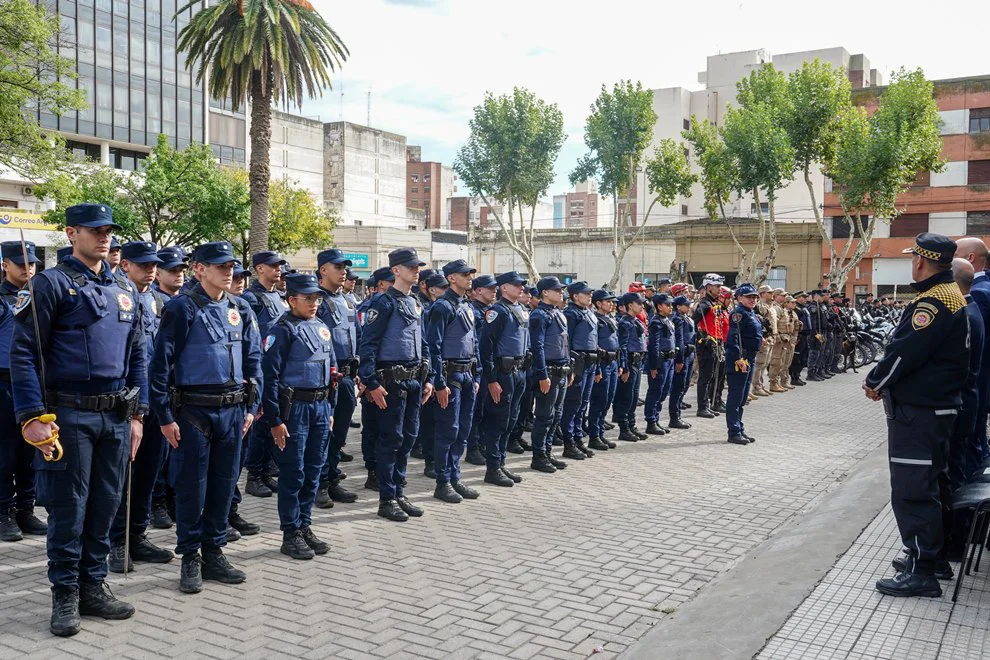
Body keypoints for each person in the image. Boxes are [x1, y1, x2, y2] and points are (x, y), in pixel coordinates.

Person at [11, 204, 147, 636]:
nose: (104, 237)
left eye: (108, 231)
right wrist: (32, 416)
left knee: (106, 504)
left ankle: (93, 586)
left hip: (116, 416)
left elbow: (138, 353)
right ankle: (65, 593)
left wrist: (139, 414)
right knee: (69, 508)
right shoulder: (50, 284)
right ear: (72, 233)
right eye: (95, 230)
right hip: (67, 414)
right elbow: (23, 353)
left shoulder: (123, 287)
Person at [150, 240, 262, 595]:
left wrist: (251, 407)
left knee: (224, 485)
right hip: (193, 411)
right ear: (199, 269)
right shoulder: (182, 308)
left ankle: (214, 552)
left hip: (233, 411)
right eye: (220, 266)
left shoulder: (240, 307)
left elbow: (254, 361)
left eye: (230, 266)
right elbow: (160, 365)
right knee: (191, 487)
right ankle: (190, 556)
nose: (228, 272)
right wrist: (164, 416)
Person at [865, 233, 969, 598]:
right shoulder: (949, 295)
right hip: (935, 409)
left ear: (921, 261)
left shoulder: (933, 303)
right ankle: (931, 558)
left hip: (920, 412)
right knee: (932, 482)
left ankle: (922, 570)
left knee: (913, 489)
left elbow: (904, 352)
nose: (912, 263)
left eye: (913, 258)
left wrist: (875, 381)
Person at [108, 242, 174, 574]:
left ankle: (137, 535)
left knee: (149, 471)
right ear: (126, 266)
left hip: (156, 398)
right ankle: (116, 541)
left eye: (154, 266)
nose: (150, 270)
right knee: (122, 476)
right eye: (143, 265)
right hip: (125, 399)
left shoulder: (160, 301)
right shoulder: (115, 295)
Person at [261, 273, 336, 560]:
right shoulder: (281, 331)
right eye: (308, 298)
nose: (314, 303)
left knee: (314, 469)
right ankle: (290, 532)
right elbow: (269, 378)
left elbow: (331, 370)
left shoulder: (321, 326)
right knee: (294, 473)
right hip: (295, 410)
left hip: (320, 408)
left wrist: (329, 408)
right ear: (292, 300)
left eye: (317, 298)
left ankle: (304, 524)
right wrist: (275, 420)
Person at [357, 248, 434, 521]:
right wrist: (371, 382)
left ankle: (399, 492)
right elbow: (368, 345)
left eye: (418, 267)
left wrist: (429, 377)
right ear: (396, 270)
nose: (417, 271)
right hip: (391, 382)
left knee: (408, 439)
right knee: (391, 440)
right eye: (411, 267)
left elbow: (423, 343)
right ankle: (387, 498)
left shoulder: (414, 302)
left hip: (414, 381)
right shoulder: (383, 302)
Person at [423, 260, 482, 502]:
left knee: (463, 430)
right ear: (451, 278)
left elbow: (474, 342)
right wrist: (439, 382)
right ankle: (443, 481)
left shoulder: (466, 305)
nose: (470, 278)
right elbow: (433, 347)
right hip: (450, 375)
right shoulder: (442, 307)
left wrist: (477, 374)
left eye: (470, 274)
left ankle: (455, 477)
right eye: (465, 274)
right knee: (448, 430)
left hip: (467, 374)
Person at [0, 241, 46, 542]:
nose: (28, 268)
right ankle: (4, 511)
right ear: (5, 265)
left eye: (32, 263)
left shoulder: (40, 295)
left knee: (31, 449)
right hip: (4, 382)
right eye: (21, 263)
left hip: (34, 380)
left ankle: (25, 509)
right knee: (5, 452)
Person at [313, 249, 359, 509]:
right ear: (323, 270)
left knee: (339, 434)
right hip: (327, 378)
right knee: (323, 435)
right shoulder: (316, 300)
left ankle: (331, 478)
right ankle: (318, 484)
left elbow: (358, 337)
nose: (343, 272)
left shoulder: (348, 301)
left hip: (348, 378)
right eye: (338, 267)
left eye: (344, 268)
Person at [241, 251, 289, 498]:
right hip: (260, 369)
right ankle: (254, 476)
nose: (278, 269)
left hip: (278, 369)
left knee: (273, 420)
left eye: (279, 265)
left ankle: (266, 472)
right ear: (259, 268)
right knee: (260, 426)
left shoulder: (279, 297)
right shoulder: (251, 298)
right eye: (273, 265)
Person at [478, 271, 530, 487]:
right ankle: (492, 468)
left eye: (522, 285)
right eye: (516, 285)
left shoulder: (522, 310)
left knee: (511, 419)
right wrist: (491, 379)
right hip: (503, 373)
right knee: (498, 421)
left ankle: (500, 462)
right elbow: (486, 347)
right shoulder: (497, 311)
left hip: (519, 371)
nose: (521, 288)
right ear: (504, 288)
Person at [528, 277, 572, 473]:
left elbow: (565, 343)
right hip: (549, 371)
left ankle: (547, 452)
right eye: (557, 290)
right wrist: (542, 374)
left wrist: (569, 368)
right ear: (545, 292)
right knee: (544, 416)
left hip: (561, 370)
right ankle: (538, 456)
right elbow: (537, 347)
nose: (561, 293)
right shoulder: (539, 315)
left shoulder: (558, 313)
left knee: (556, 415)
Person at [356, 266, 394, 491]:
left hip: (388, 377)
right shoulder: (371, 307)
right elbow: (364, 342)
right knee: (372, 426)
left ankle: (384, 471)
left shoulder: (399, 303)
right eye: (391, 281)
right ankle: (372, 471)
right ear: (380, 284)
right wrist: (365, 376)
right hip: (374, 374)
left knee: (387, 430)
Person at [560, 281, 598, 459]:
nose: (589, 296)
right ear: (575, 296)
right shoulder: (570, 313)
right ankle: (569, 443)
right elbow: (567, 342)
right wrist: (571, 368)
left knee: (583, 404)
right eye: (586, 293)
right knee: (572, 404)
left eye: (590, 293)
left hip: (591, 362)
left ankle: (577, 438)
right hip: (578, 363)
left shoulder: (588, 312)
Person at [464, 275, 497, 466]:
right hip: (478, 366)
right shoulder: (472, 311)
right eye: (489, 288)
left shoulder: (491, 311)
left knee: (487, 409)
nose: (494, 292)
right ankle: (473, 448)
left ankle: (483, 444)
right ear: (477, 291)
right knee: (476, 410)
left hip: (491, 366)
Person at [724, 284, 762, 445]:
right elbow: (734, 337)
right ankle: (733, 432)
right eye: (749, 297)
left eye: (754, 297)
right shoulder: (738, 313)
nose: (753, 300)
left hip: (749, 358)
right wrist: (738, 357)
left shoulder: (750, 312)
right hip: (740, 359)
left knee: (743, 397)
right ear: (739, 298)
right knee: (736, 396)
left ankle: (739, 428)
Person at [587, 290, 619, 451]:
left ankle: (600, 432)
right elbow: (594, 345)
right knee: (599, 400)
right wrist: (598, 369)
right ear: (598, 303)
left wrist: (620, 363)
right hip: (603, 363)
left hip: (613, 362)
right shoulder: (596, 319)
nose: (611, 304)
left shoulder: (610, 318)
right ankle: (594, 435)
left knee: (608, 399)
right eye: (608, 301)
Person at [614, 293, 648, 441]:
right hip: (630, 361)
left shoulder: (636, 321)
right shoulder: (625, 322)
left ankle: (631, 425)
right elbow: (623, 346)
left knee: (634, 397)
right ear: (630, 305)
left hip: (638, 362)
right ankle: (624, 428)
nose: (642, 306)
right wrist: (625, 367)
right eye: (639, 303)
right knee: (626, 397)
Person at [692, 274, 725, 418]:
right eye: (717, 286)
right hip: (707, 346)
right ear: (709, 287)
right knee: (705, 378)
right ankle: (702, 407)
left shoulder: (713, 303)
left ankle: (707, 404)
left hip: (716, 344)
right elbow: (693, 323)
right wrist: (702, 338)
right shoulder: (704, 304)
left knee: (712, 376)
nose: (720, 289)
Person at [644, 293, 677, 436]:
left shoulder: (667, 320)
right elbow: (654, 346)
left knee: (664, 391)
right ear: (659, 306)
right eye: (667, 305)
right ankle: (651, 421)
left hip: (669, 360)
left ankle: (656, 418)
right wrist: (654, 366)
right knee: (655, 391)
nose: (670, 307)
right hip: (660, 361)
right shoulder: (656, 322)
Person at [668, 295, 695, 430]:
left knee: (685, 384)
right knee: (678, 387)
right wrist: (680, 359)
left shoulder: (686, 318)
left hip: (690, 354)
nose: (689, 307)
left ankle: (678, 414)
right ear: (678, 306)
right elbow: (679, 340)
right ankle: (674, 417)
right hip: (683, 355)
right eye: (686, 305)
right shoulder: (677, 319)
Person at [750, 286, 777, 397]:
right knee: (759, 364)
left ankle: (760, 385)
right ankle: (756, 387)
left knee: (765, 364)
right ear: (761, 294)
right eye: (769, 293)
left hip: (770, 337)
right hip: (763, 338)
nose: (771, 295)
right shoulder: (759, 306)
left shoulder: (770, 306)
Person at [790, 292, 811, 387]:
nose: (805, 299)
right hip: (799, 336)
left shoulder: (803, 308)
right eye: (803, 297)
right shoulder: (796, 309)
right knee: (796, 358)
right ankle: (793, 377)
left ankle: (797, 376)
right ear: (797, 297)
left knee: (803, 358)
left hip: (805, 336)